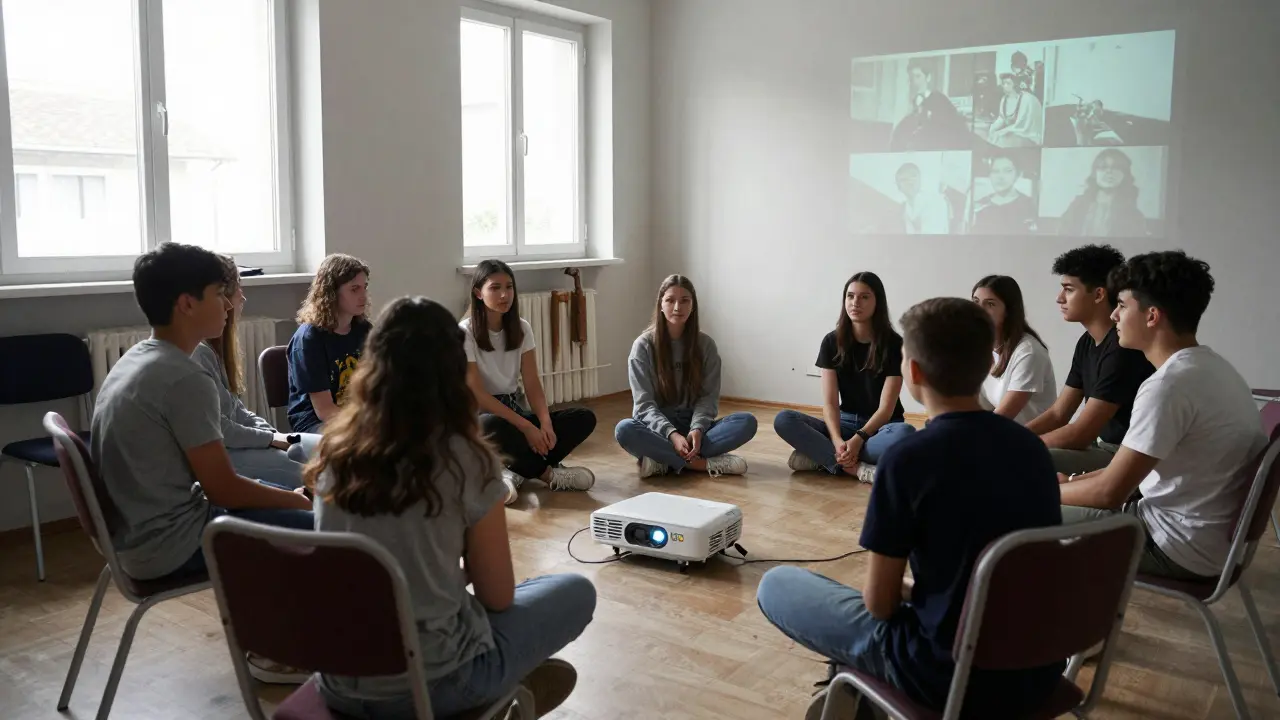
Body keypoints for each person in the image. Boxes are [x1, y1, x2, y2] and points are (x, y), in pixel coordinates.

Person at [757, 298, 1062, 719]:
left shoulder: (911, 460)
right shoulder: (1032, 449)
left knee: (777, 584)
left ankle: (858, 695)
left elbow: (880, 605)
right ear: (983, 366)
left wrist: (905, 592)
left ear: (913, 373)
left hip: (946, 673)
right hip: (1037, 670)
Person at [311, 296, 596, 719]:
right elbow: (496, 597)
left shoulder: (332, 452)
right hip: (432, 684)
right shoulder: (465, 458)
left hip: (338, 681)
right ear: (452, 369)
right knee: (575, 591)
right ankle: (499, 695)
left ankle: (507, 686)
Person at [91, 243, 314, 683]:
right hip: (168, 544)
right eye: (219, 293)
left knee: (291, 511)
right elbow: (224, 490)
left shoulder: (141, 357)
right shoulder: (181, 376)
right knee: (325, 528)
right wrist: (297, 501)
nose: (230, 304)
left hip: (138, 535)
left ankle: (281, 638)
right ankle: (277, 653)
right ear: (187, 304)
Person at [1059, 252, 1266, 581]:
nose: (1113, 315)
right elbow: (1121, 478)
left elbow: (1109, 493)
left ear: (1152, 316)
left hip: (1172, 545)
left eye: (1123, 306)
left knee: (1013, 511)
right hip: (1197, 539)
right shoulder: (1211, 367)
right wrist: (1069, 483)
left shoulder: (1168, 386)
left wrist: (1041, 490)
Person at [462, 260, 597, 504]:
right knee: (495, 426)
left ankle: (513, 471)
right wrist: (526, 428)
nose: (504, 295)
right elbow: (477, 394)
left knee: (583, 418)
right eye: (495, 288)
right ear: (478, 293)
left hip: (513, 411)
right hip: (481, 418)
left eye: (509, 287)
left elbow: (532, 383)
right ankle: (548, 475)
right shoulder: (464, 333)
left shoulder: (522, 328)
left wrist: (544, 424)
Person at [775, 272, 916, 483]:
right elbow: (830, 403)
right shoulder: (831, 342)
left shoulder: (894, 344)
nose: (855, 303)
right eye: (850, 296)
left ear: (878, 301)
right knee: (784, 419)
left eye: (864, 297)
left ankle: (821, 458)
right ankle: (854, 467)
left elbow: (886, 410)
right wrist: (837, 439)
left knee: (905, 434)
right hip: (845, 422)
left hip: (881, 427)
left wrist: (859, 439)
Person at [191, 255, 318, 488]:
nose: (242, 297)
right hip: (227, 455)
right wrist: (270, 439)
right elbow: (221, 428)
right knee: (320, 472)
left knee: (330, 451)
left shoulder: (211, 350)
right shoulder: (196, 354)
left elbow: (237, 410)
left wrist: (271, 434)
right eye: (238, 288)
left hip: (242, 444)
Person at [1026, 245, 1154, 474]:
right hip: (1102, 448)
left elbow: (1082, 432)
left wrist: (1013, 444)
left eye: (1069, 290)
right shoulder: (1086, 342)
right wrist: (1011, 435)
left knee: (1024, 458)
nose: (1059, 298)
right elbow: (1059, 414)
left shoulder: (1123, 348)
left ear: (1098, 294)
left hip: (1123, 455)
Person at [615, 275, 757, 478]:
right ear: (661, 305)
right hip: (658, 431)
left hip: (694, 429)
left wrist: (697, 429)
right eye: (670, 300)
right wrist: (672, 435)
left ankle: (662, 462)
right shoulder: (643, 346)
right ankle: (698, 464)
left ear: (693, 305)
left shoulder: (706, 345)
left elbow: (708, 398)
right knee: (624, 429)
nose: (677, 307)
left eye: (684, 301)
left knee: (746, 422)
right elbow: (643, 405)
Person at [287, 253, 372, 435]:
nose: (363, 296)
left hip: (356, 417)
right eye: (354, 289)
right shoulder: (309, 338)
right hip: (315, 423)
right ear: (331, 293)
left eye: (365, 287)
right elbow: (324, 411)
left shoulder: (364, 330)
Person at [972, 275, 1056, 424]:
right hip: (1004, 434)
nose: (979, 310)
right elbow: (976, 408)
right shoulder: (982, 348)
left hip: (1034, 439)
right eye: (976, 302)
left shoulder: (1028, 352)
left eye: (990, 304)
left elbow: (1003, 416)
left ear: (1008, 311)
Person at [1057, 149, 1149, 237]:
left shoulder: (1133, 214)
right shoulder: (1078, 204)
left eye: (1116, 167)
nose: (1109, 171)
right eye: (1103, 167)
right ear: (1095, 173)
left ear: (1125, 175)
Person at [890, 59, 970, 151]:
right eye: (911, 78)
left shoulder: (940, 101)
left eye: (918, 76)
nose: (914, 82)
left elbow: (952, 129)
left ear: (928, 78)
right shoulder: (912, 107)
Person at [971, 151, 1038, 235]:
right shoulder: (980, 205)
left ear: (1018, 174)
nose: (1000, 177)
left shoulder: (1028, 204)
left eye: (1007, 171)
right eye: (995, 171)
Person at [987, 73, 1044, 147]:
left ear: (1015, 84)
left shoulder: (1026, 99)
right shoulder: (1004, 99)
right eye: (1003, 83)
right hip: (1013, 132)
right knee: (992, 138)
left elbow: (1021, 124)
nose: (1004, 86)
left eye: (1008, 83)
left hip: (1028, 135)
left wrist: (1003, 131)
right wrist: (993, 128)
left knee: (1001, 140)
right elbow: (1002, 118)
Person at [896, 163, 949, 235]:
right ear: (899, 187)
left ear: (920, 179)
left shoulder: (935, 201)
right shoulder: (904, 210)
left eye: (913, 176)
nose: (910, 182)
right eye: (904, 179)